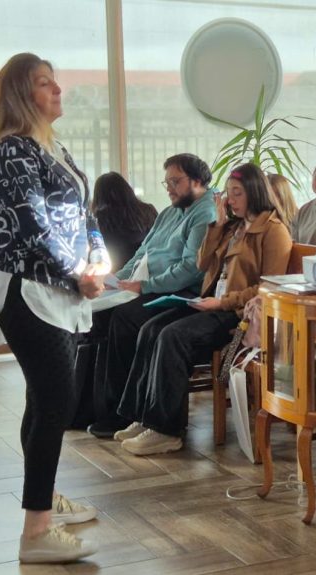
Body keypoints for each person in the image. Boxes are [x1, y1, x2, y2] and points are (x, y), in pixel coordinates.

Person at [0, 53, 107, 563]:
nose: (58, 90)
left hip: (59, 289)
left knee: (43, 397)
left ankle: (44, 497)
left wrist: (96, 258)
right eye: (44, 83)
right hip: (27, 289)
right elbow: (33, 225)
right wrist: (79, 272)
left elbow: (85, 213)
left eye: (56, 81)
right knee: (57, 398)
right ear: (20, 94)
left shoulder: (52, 147)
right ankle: (36, 534)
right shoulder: (12, 149)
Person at [113, 163, 291, 455]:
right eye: (229, 193)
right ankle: (143, 415)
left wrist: (223, 302)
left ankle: (167, 430)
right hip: (211, 303)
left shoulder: (273, 231)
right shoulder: (233, 227)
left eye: (237, 193)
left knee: (173, 337)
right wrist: (217, 227)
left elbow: (267, 288)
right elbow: (202, 263)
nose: (230, 200)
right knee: (150, 329)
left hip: (236, 315)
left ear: (255, 193)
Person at [86, 154, 217, 438]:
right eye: (166, 182)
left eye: (175, 181)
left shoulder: (205, 213)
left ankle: (122, 412)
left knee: (124, 318)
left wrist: (143, 287)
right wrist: (117, 280)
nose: (169, 188)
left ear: (197, 180)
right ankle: (99, 407)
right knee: (100, 312)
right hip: (148, 284)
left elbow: (191, 270)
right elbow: (142, 253)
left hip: (179, 292)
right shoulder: (171, 211)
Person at [91, 171, 157, 272]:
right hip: (148, 271)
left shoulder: (97, 219)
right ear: (127, 190)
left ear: (98, 196)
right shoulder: (148, 211)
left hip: (113, 275)